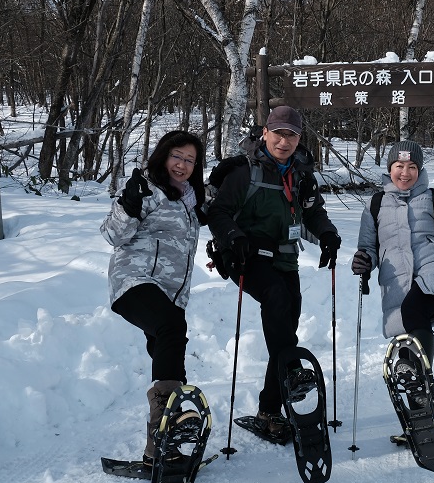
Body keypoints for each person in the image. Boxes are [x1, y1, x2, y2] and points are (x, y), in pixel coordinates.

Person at [207, 105, 341, 442]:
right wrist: (233, 237)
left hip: (284, 259)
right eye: (278, 133)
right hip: (247, 257)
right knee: (277, 301)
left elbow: (313, 214)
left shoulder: (301, 175)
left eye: (291, 135)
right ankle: (293, 373)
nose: (284, 141)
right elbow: (218, 212)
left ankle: (269, 412)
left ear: (299, 139)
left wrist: (327, 235)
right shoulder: (244, 172)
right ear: (264, 133)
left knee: (284, 330)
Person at [101, 130, 209, 464]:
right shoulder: (144, 188)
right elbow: (112, 235)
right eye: (177, 156)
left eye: (190, 160)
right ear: (163, 155)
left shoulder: (192, 199)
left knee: (170, 349)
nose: (182, 164)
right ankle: (168, 425)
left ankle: (161, 448)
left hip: (170, 293)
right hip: (134, 280)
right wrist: (128, 206)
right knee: (171, 328)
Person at [351, 140, 434, 414]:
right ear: (390, 168)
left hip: (433, 272)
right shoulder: (376, 204)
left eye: (412, 166)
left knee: (413, 311)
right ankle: (422, 412)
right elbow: (368, 247)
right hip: (396, 281)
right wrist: (363, 261)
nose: (405, 172)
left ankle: (418, 388)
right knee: (407, 339)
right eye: (399, 166)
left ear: (420, 169)